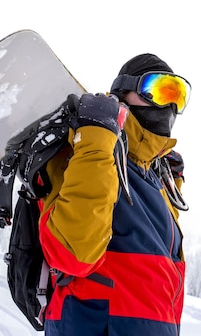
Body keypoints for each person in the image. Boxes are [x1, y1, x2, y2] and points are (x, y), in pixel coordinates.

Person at [37, 53, 190, 335]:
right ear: (123, 93)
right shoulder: (88, 148)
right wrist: (95, 137)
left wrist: (171, 184)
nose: (168, 104)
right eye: (157, 90)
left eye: (177, 96)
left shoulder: (149, 172)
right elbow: (73, 253)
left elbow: (147, 244)